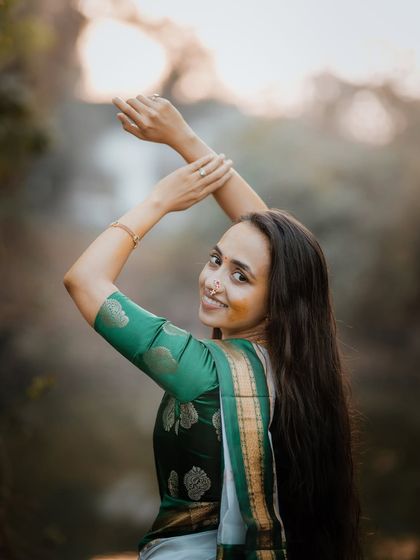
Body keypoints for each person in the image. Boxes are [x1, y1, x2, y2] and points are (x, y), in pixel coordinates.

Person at [63, 94, 364, 560]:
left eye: (239, 276)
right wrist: (182, 139)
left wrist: (160, 200)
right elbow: (274, 240)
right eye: (216, 260)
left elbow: (83, 280)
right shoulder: (299, 363)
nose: (214, 282)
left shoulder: (199, 371)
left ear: (279, 295)